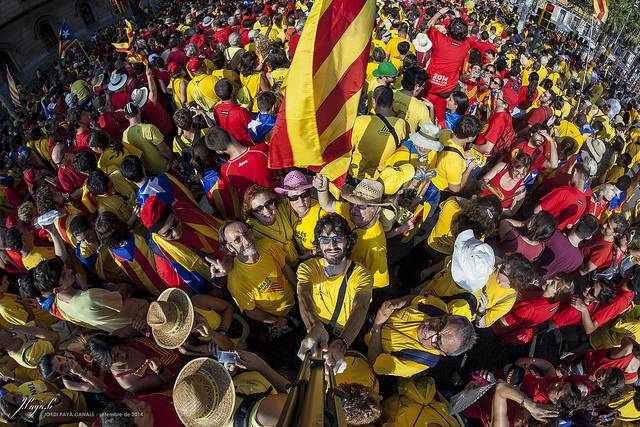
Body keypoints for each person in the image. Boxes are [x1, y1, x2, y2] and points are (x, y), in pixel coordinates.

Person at [297, 214, 373, 371]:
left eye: (338, 238)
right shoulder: (307, 268)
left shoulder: (362, 274)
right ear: (318, 244)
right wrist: (314, 325)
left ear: (348, 241)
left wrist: (341, 343)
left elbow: (361, 306)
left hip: (346, 331)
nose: (331, 245)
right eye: (324, 239)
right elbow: (304, 296)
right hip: (317, 324)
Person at [315, 176, 391, 290]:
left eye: (361, 205)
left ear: (377, 209)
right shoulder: (352, 212)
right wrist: (321, 189)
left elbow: (377, 284)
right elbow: (327, 204)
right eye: (352, 203)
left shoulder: (376, 249)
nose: (354, 208)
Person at [217, 220, 296, 326]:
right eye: (237, 240)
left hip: (296, 298)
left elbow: (285, 268)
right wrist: (277, 321)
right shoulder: (236, 282)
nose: (246, 241)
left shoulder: (267, 245)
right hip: (279, 317)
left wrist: (300, 293)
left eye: (245, 233)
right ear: (230, 248)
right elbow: (251, 312)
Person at [86, 334, 182, 395]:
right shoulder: (129, 382)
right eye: (117, 356)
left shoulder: (116, 339)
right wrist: (159, 370)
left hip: (176, 340)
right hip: (182, 369)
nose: (124, 353)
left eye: (120, 347)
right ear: (107, 364)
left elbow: (135, 325)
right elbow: (167, 379)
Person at [350, 86, 410, 179]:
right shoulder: (400, 124)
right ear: (392, 102)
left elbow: (349, 148)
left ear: (373, 101)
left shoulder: (360, 121)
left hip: (357, 175)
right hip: (382, 179)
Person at [242, 185, 298, 266]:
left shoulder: (282, 209)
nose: (266, 210)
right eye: (259, 209)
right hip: (281, 269)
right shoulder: (251, 229)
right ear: (251, 212)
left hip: (299, 256)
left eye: (268, 203)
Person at [536, 214, 599, 279]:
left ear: (576, 223)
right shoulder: (578, 260)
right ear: (588, 237)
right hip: (542, 285)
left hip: (529, 272)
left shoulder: (554, 235)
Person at [121, 102, 174, 175]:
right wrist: (174, 160)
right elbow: (163, 149)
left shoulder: (125, 135)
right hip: (164, 167)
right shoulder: (149, 128)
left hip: (148, 172)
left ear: (126, 117)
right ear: (139, 111)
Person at [535, 163, 589, 231]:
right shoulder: (584, 203)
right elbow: (569, 225)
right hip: (554, 234)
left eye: (572, 173)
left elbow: (538, 209)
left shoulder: (565, 191)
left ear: (575, 172)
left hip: (539, 227)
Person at [213, 78, 253, 146]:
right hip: (246, 146)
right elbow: (253, 130)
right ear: (233, 91)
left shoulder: (216, 109)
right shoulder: (241, 112)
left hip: (230, 146)